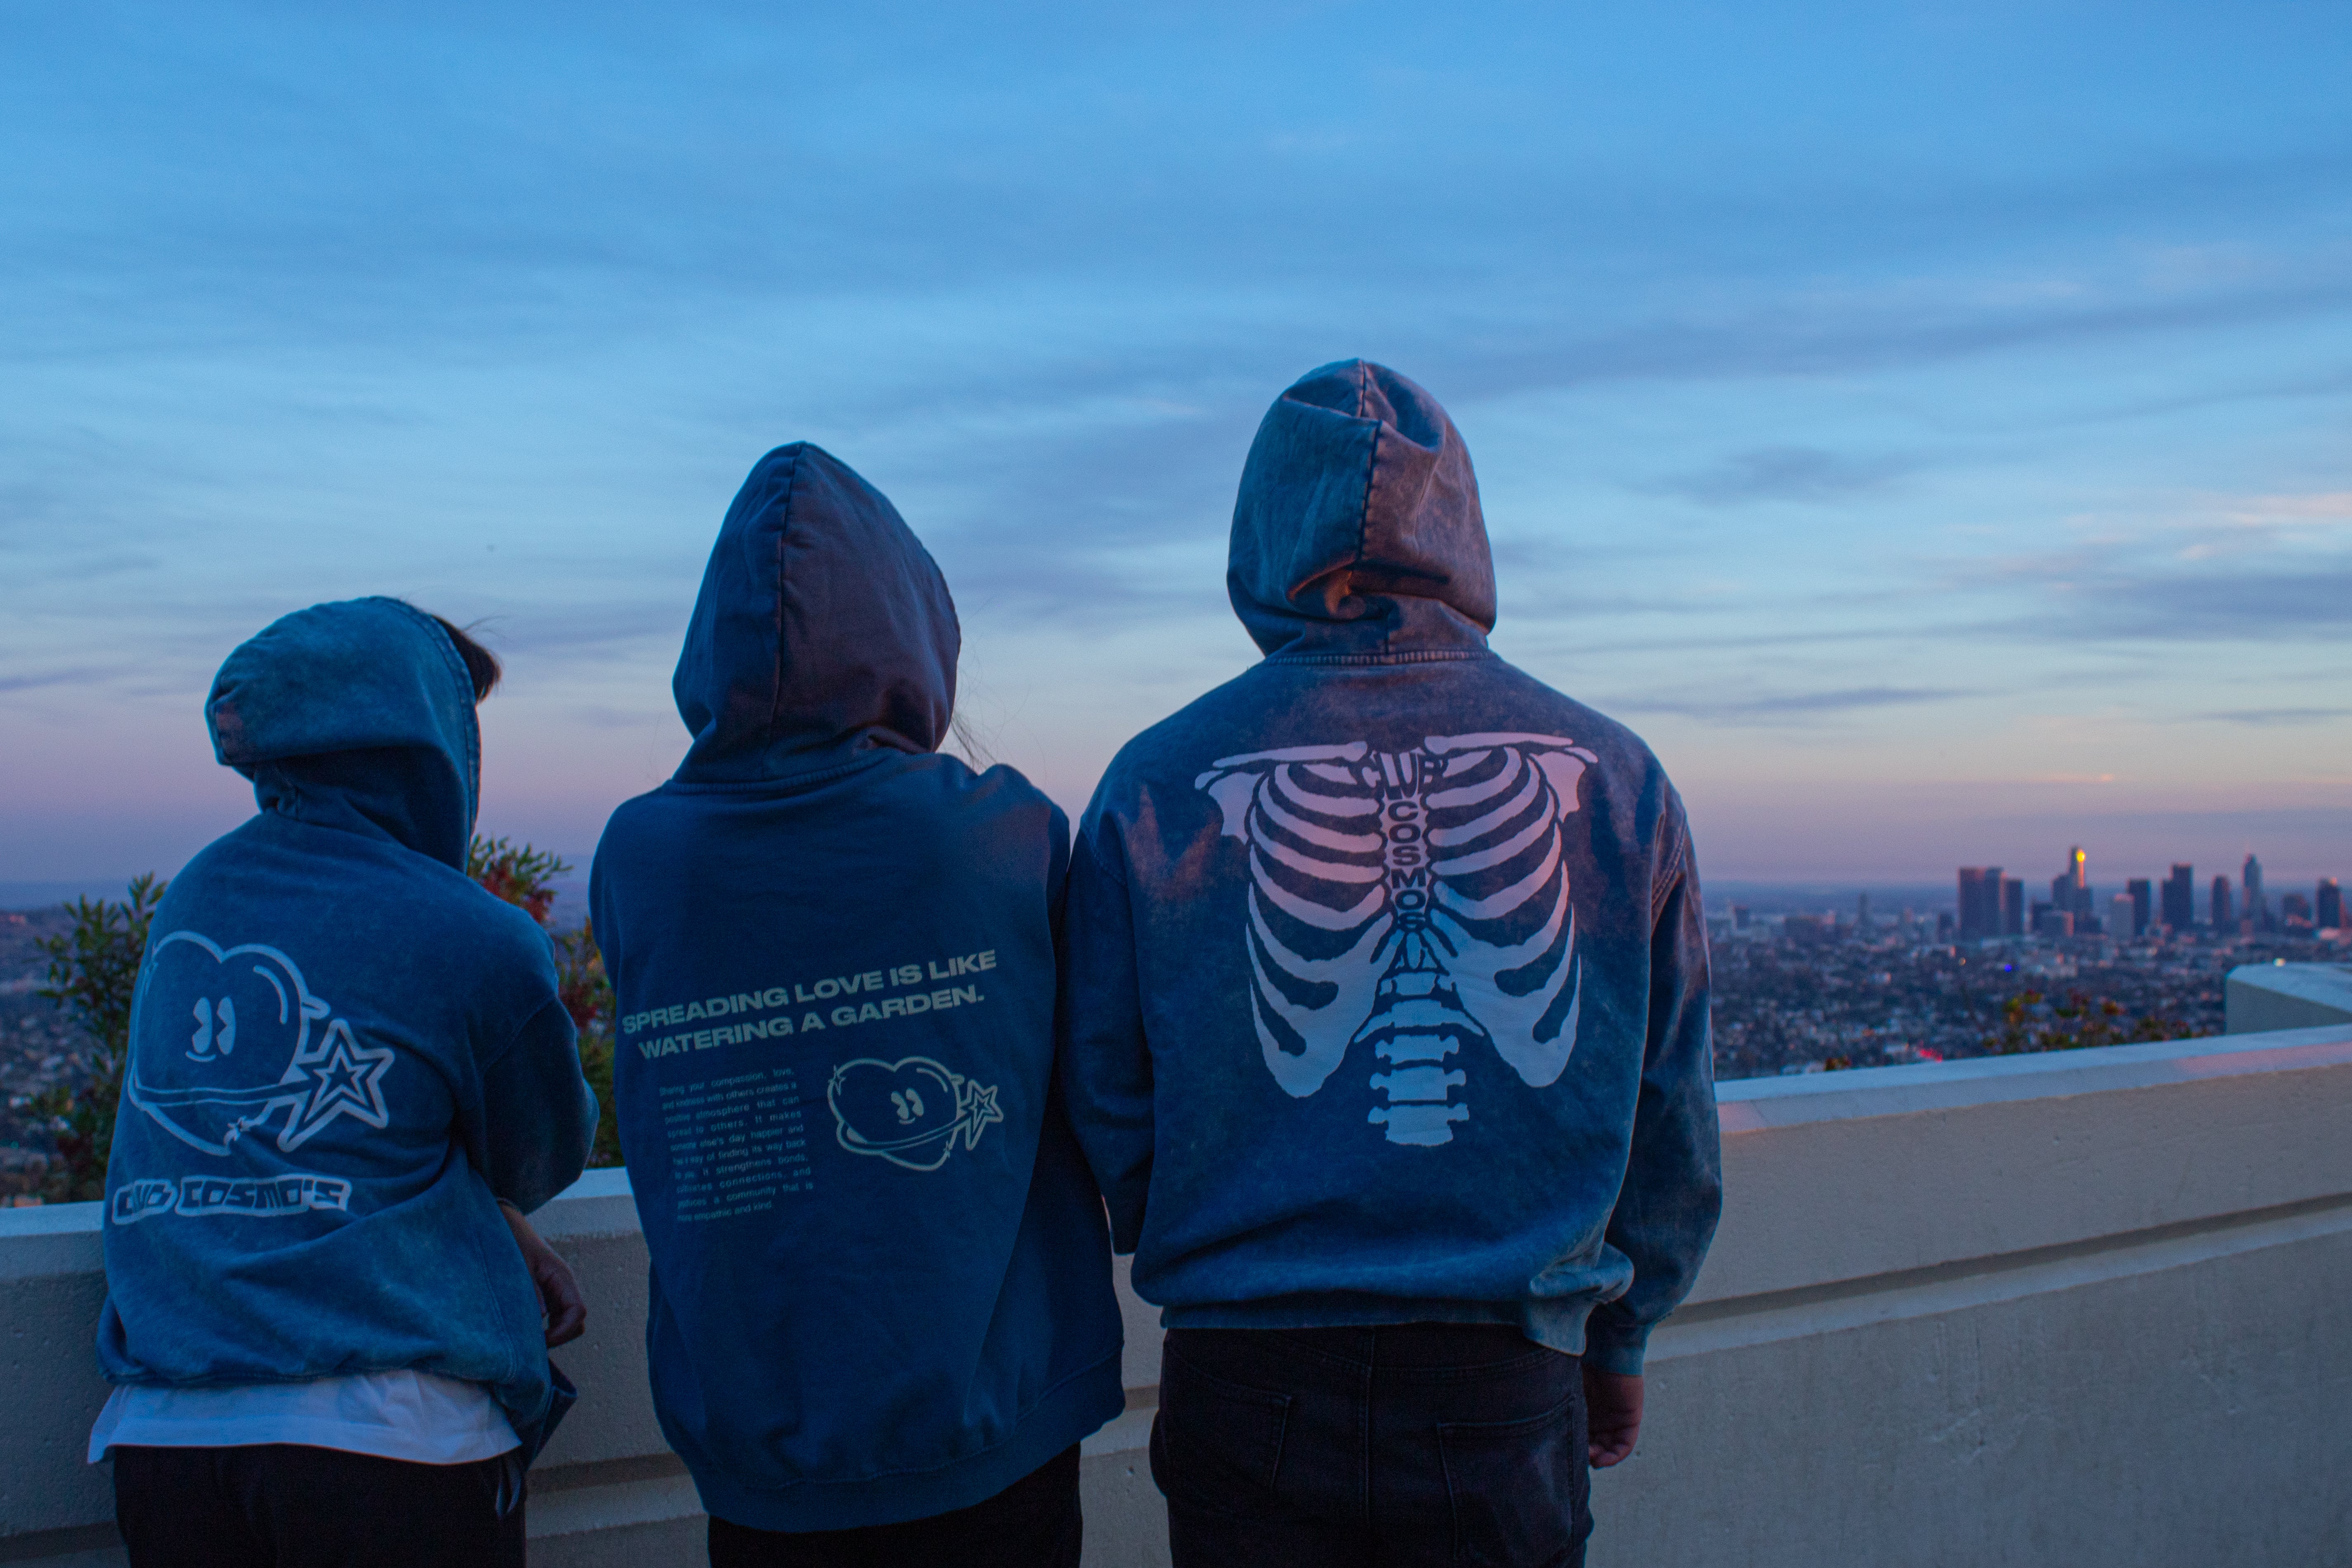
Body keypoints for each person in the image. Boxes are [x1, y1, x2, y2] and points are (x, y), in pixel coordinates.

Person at [1058, 361, 1723, 1567]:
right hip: (1504, 1373)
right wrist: (1619, 1334)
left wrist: (1219, 1221)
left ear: (1258, 533)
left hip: (1245, 1365)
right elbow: (1666, 1101)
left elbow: (1104, 1089)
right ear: (1463, 529)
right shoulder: (1616, 776)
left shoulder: (1156, 783)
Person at [589, 444, 1125, 1568]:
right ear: (915, 629)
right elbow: (1098, 1077)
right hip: (995, 1427)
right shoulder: (1003, 832)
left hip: (758, 1451)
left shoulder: (641, 856)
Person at [94, 596, 599, 1568]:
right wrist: (509, 1208)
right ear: (432, 743)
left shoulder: (195, 897)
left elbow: (232, 1134)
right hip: (389, 1443)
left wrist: (500, 1224)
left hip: (167, 1437)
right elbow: (542, 1152)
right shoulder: (476, 934)